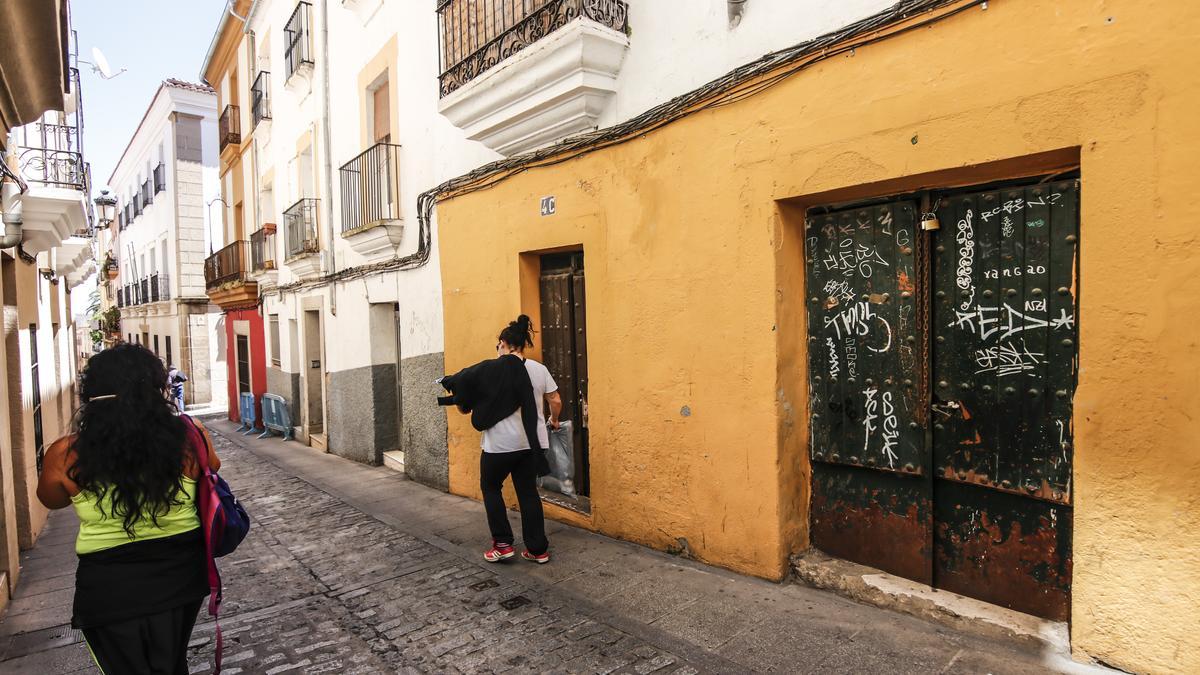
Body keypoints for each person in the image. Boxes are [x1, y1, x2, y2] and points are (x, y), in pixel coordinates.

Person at [37, 343, 219, 674]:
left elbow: (52, 500)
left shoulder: (64, 454)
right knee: (171, 664)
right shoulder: (190, 438)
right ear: (155, 389)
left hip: (108, 586)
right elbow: (211, 471)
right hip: (179, 575)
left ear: (91, 394)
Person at [478, 315, 561, 564]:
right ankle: (537, 550)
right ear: (522, 344)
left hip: (499, 445)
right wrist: (554, 420)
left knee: (491, 487)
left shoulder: (490, 370)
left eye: (498, 345)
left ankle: (503, 544)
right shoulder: (539, 369)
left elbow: (469, 404)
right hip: (530, 444)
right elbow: (555, 400)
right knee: (528, 493)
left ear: (503, 343)